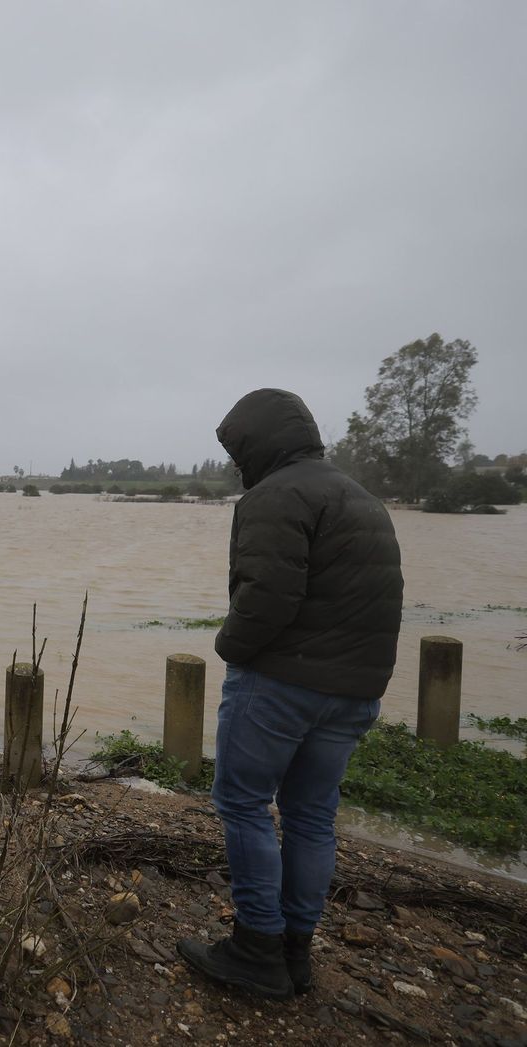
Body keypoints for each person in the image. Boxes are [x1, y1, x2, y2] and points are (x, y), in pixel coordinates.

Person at [177, 388, 403, 999]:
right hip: (354, 692)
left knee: (244, 804)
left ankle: (256, 948)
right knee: (310, 815)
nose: (235, 463)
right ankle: (295, 952)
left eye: (238, 450)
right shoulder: (363, 499)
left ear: (259, 442)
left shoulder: (274, 495)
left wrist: (229, 647)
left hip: (280, 683)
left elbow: (268, 597)